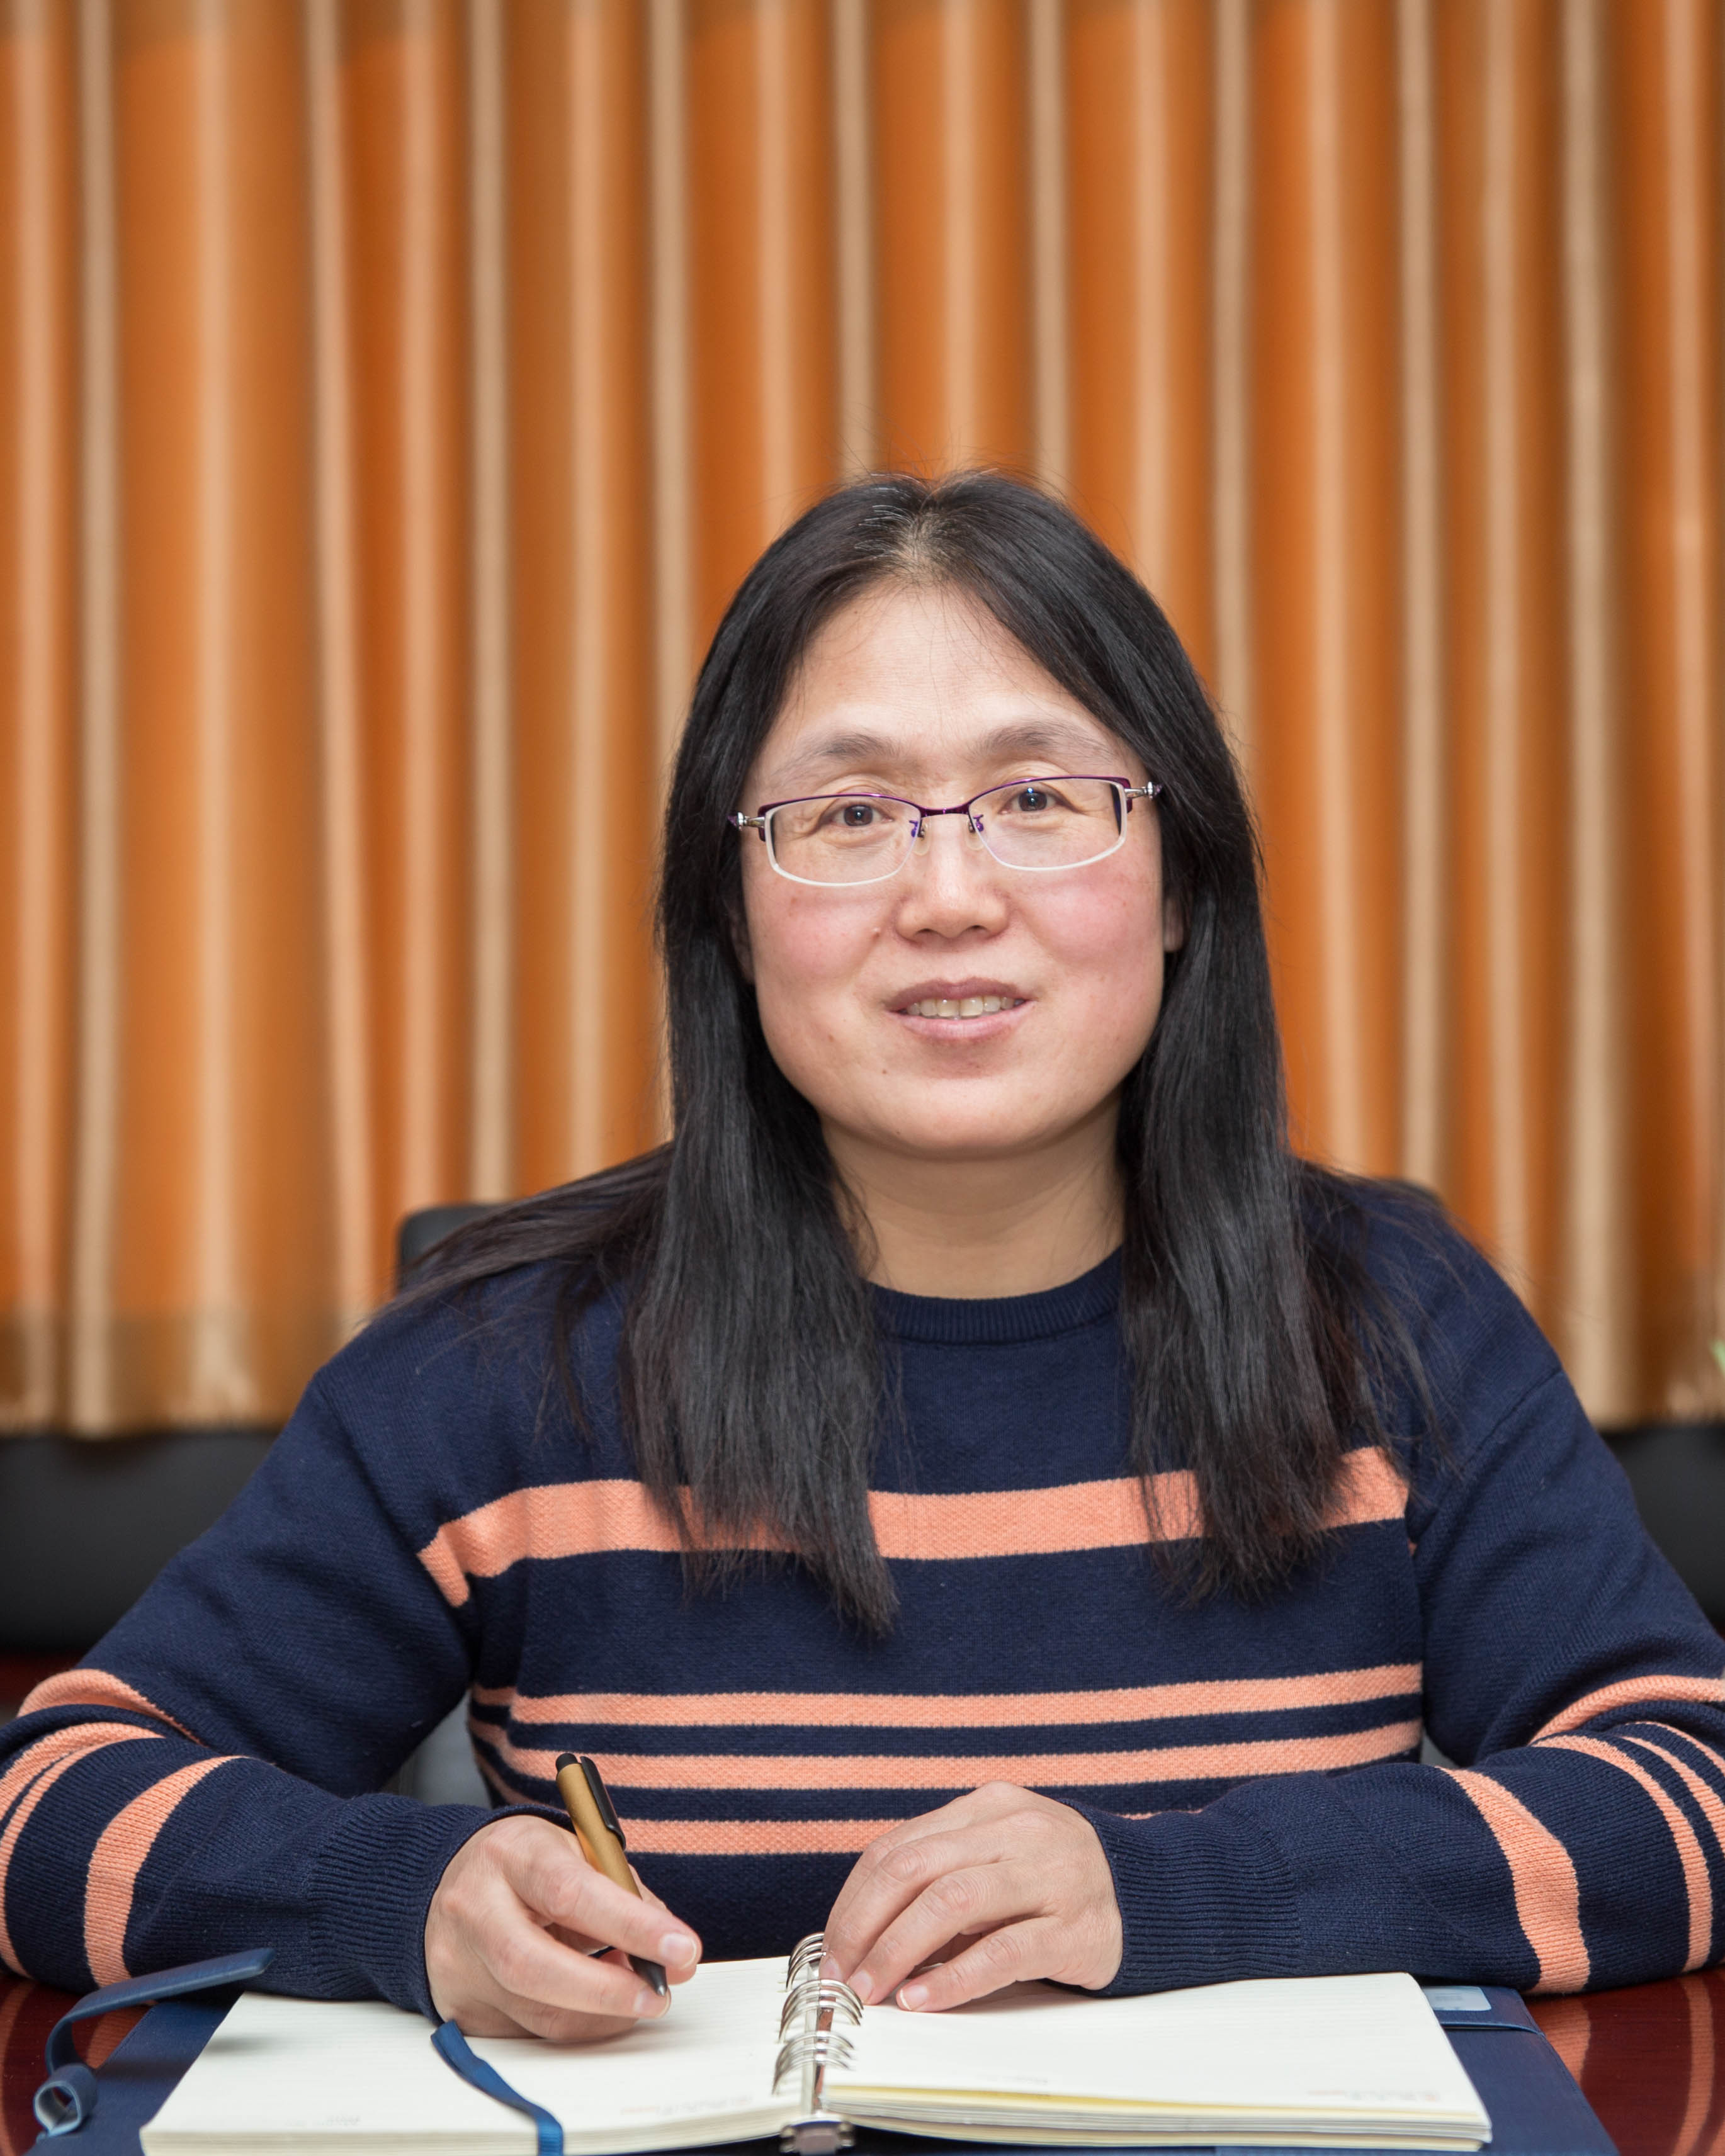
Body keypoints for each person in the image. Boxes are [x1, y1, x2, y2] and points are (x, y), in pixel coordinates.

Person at [3, 473, 1722, 2038]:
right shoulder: (501, 1362)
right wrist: (403, 1899)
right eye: (846, 816)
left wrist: (1173, 1892)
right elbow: (48, 1801)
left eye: (1039, 797)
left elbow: (1687, 1782)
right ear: (730, 913)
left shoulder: (1394, 1323)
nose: (949, 894)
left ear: (1182, 885)